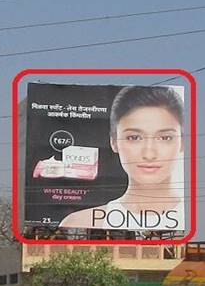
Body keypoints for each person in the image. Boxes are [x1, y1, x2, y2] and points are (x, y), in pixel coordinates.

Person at [58, 85, 185, 233]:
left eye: (165, 137)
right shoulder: (78, 221)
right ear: (114, 142)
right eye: (134, 137)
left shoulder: (188, 219)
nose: (149, 154)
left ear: (182, 143)